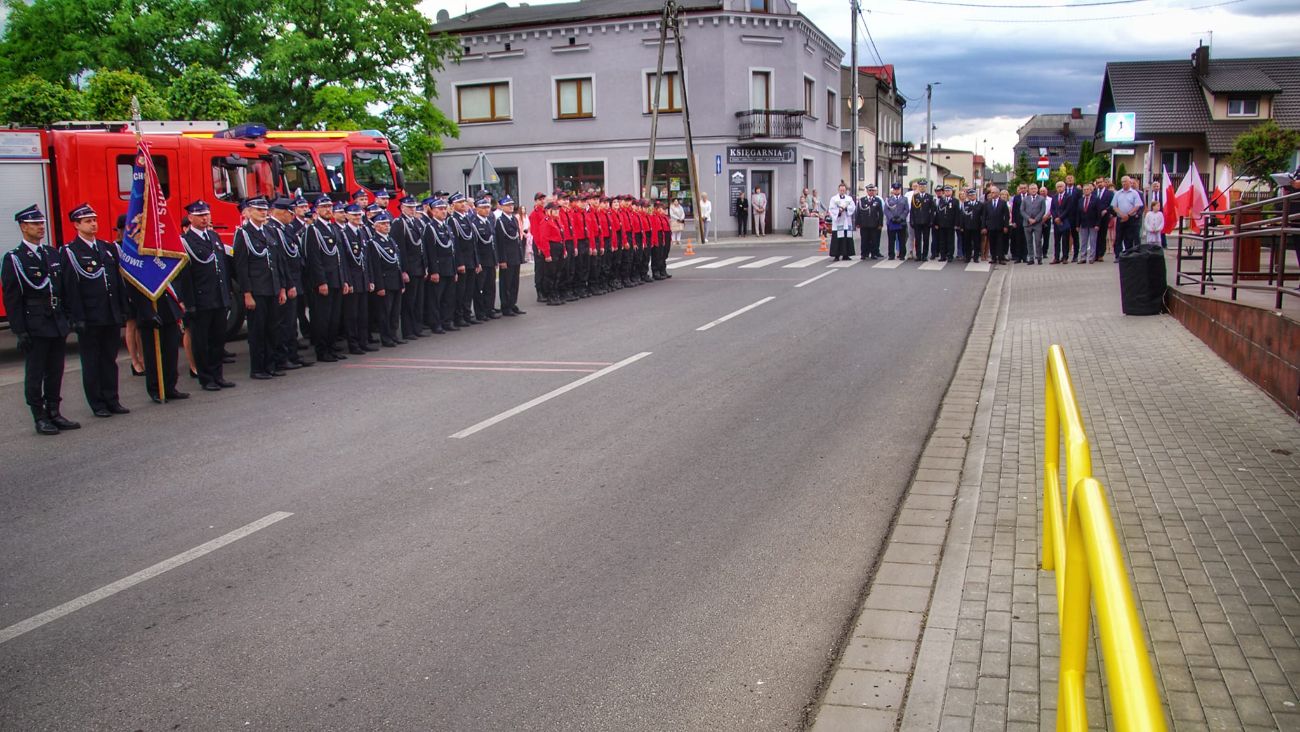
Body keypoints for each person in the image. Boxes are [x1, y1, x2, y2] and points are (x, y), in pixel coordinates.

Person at [4, 205, 81, 434]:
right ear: (23, 227)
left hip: (56, 322)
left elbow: (63, 289)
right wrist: (20, 331)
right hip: (35, 323)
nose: (40, 227)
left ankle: (54, 411)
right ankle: (39, 416)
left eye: (41, 223)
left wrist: (68, 317)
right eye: (35, 224)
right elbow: (12, 298)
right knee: (36, 372)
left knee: (56, 370)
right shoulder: (15, 258)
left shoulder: (51, 253)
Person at [59, 203, 130, 417]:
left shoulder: (106, 248)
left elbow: (117, 281)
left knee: (109, 359)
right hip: (90, 316)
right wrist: (76, 317)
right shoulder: (70, 252)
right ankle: (97, 403)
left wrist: (122, 308)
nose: (93, 224)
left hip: (109, 313)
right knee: (91, 361)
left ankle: (112, 399)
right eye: (88, 221)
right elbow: (70, 288)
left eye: (94, 220)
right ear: (76, 225)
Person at [177, 200, 235, 391]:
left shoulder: (213, 236)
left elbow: (223, 267)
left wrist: (227, 292)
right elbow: (184, 275)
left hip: (218, 296)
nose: (204, 218)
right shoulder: (185, 241)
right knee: (201, 342)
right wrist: (187, 301)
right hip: (201, 299)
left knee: (218, 340)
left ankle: (218, 375)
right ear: (190, 218)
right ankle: (206, 377)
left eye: (207, 214)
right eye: (200, 215)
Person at [233, 196, 287, 379]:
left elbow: (277, 262)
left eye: (265, 210)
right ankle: (257, 368)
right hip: (257, 290)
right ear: (249, 212)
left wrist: (281, 287)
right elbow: (241, 267)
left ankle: (270, 365)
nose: (263, 213)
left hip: (272, 287)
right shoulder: (244, 234)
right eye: (259, 210)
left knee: (273, 329)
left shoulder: (270, 231)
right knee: (258, 331)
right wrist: (247, 293)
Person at [266, 197, 307, 371]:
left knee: (291, 322)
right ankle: (282, 358)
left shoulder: (286, 228)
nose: (293, 217)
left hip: (294, 279)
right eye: (291, 213)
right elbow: (281, 261)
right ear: (282, 212)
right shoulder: (273, 230)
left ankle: (292, 355)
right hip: (287, 280)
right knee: (284, 323)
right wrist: (288, 284)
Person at [304, 196, 345, 362]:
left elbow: (339, 257)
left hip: (336, 279)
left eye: (330, 206)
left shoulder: (333, 228)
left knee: (334, 318)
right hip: (324, 281)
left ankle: (331, 347)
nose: (328, 209)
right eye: (324, 207)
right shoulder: (313, 230)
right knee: (323, 318)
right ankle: (322, 350)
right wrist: (321, 281)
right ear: (317, 210)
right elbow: (314, 259)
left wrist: (343, 279)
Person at [367, 211, 404, 346]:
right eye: (383, 224)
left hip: (395, 280)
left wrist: (401, 283)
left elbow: (397, 263)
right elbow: (375, 266)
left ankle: (393, 335)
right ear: (376, 226)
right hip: (385, 281)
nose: (387, 226)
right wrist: (380, 286)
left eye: (388, 223)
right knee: (385, 312)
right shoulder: (373, 243)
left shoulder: (390, 240)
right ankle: (386, 337)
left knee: (395, 311)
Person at [393, 195, 428, 340]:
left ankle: (417, 328)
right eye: (409, 207)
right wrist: (403, 270)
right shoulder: (399, 223)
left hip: (419, 266)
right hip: (410, 268)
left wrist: (425, 266)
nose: (412, 210)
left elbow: (421, 246)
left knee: (419, 301)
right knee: (409, 301)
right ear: (402, 208)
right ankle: (408, 331)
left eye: (414, 207)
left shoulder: (416, 222)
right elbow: (400, 249)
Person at [422, 196, 460, 330]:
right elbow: (430, 251)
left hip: (449, 267)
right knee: (436, 298)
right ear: (433, 211)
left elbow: (452, 250)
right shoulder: (430, 228)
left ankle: (447, 321)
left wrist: (454, 270)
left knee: (448, 297)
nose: (444, 211)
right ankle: (436, 323)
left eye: (445, 208)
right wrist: (434, 271)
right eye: (440, 209)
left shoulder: (447, 227)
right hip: (439, 268)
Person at [493, 195, 526, 316]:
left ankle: (513, 303)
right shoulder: (500, 222)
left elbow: (517, 240)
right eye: (508, 205)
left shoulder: (514, 219)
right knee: (506, 283)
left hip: (515, 255)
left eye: (512, 205)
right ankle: (506, 306)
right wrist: (502, 259)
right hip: (507, 257)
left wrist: (520, 256)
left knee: (514, 283)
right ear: (502, 207)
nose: (511, 207)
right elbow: (500, 242)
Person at [471, 196, 499, 320]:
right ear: (477, 209)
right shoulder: (474, 224)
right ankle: (480, 312)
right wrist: (477, 262)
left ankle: (489, 309)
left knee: (490, 287)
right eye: (483, 207)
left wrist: (495, 259)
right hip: (482, 260)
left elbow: (493, 243)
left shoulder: (489, 222)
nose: (487, 210)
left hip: (490, 259)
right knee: (479, 288)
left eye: (488, 207)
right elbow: (475, 245)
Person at [1111, 175, 1145, 255]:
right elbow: (1114, 206)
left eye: (1125, 182)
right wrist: (1122, 214)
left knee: (1129, 238)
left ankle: (1128, 255)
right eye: (1122, 182)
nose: (1124, 183)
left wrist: (1128, 215)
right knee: (1118, 237)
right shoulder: (1118, 193)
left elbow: (1137, 206)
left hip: (1130, 219)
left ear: (1129, 182)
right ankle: (1118, 255)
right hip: (1120, 218)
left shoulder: (1134, 193)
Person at [827, 183, 856, 261]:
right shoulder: (834, 199)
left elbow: (853, 207)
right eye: (841, 190)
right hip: (838, 221)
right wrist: (838, 211)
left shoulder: (849, 199)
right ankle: (836, 255)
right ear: (838, 190)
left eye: (843, 190)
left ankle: (846, 255)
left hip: (846, 221)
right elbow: (831, 209)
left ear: (845, 190)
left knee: (846, 238)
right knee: (838, 238)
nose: (842, 191)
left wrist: (846, 208)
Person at [1051, 180, 1077, 264]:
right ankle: (1056, 257)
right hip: (1056, 222)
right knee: (1056, 241)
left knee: (1065, 240)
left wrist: (1060, 218)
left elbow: (1068, 209)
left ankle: (1065, 257)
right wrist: (1055, 217)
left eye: (1061, 186)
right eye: (1058, 187)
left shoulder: (1068, 197)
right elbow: (1052, 209)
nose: (1059, 188)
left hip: (1065, 221)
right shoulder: (1054, 197)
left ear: (1064, 187)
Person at [982, 186, 1009, 264]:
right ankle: (993, 258)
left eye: (993, 192)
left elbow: (1006, 216)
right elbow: (984, 216)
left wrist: (1006, 226)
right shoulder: (987, 203)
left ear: (997, 193)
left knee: (1000, 243)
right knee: (992, 243)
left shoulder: (1003, 203)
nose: (992, 194)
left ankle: (1000, 258)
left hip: (1000, 226)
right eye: (991, 192)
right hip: (990, 227)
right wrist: (984, 227)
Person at [856, 183, 884, 260]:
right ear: (867, 191)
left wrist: (880, 224)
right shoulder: (862, 200)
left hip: (874, 224)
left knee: (874, 240)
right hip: (864, 224)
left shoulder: (877, 200)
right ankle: (864, 254)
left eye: (872, 190)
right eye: (870, 190)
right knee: (864, 240)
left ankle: (873, 254)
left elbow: (880, 213)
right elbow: (858, 212)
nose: (871, 192)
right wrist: (857, 223)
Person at [1021, 184, 1047, 264]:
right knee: (1029, 241)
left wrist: (1035, 219)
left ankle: (1039, 257)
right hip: (1027, 223)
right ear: (1029, 190)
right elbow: (1022, 210)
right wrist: (1028, 218)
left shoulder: (1041, 199)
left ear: (1037, 189)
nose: (1033, 190)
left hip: (1037, 223)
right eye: (1031, 189)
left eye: (1035, 188)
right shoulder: (1025, 199)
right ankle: (1031, 258)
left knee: (1038, 241)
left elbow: (1043, 211)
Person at [909, 181, 935, 260]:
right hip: (917, 221)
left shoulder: (930, 197)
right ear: (918, 187)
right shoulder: (915, 197)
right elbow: (912, 210)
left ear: (926, 187)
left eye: (923, 186)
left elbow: (932, 210)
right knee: (918, 239)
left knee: (926, 239)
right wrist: (912, 220)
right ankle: (918, 255)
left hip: (926, 222)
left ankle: (924, 255)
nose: (922, 188)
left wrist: (931, 221)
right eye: (920, 186)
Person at [932, 185, 958, 262]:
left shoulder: (955, 201)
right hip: (942, 224)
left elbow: (957, 214)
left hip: (950, 224)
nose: (947, 192)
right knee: (942, 241)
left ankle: (950, 255)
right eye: (946, 191)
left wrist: (956, 224)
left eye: (948, 191)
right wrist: (936, 223)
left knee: (950, 240)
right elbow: (938, 212)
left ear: (951, 192)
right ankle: (942, 256)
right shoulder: (941, 200)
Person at [1077, 182, 1101, 263]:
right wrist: (1077, 225)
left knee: (1092, 241)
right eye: (1084, 190)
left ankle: (1091, 257)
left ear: (1091, 190)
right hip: (1083, 224)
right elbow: (1078, 213)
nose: (1086, 191)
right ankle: (1083, 257)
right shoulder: (1080, 200)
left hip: (1093, 224)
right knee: (1083, 241)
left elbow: (1098, 213)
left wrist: (1097, 224)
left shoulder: (1096, 200)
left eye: (1087, 189)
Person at [959, 188, 984, 263]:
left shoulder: (980, 204)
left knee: (976, 243)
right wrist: (961, 226)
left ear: (976, 195)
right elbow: (962, 216)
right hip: (967, 227)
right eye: (970, 195)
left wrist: (982, 227)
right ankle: (968, 257)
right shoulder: (965, 204)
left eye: (973, 195)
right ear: (968, 196)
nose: (972, 196)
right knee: (967, 243)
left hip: (977, 226)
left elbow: (983, 217)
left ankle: (976, 257)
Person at [885, 183, 909, 261]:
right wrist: (891, 218)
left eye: (898, 189)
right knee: (891, 240)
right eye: (895, 189)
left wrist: (901, 218)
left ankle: (902, 254)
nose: (896, 191)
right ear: (893, 190)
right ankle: (891, 255)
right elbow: (886, 210)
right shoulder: (889, 199)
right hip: (891, 222)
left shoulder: (904, 199)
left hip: (901, 222)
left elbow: (906, 210)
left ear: (900, 190)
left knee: (902, 239)